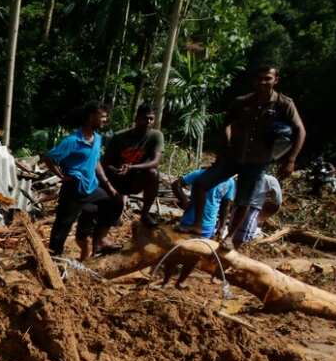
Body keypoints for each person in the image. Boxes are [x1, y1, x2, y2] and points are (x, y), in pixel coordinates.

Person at [179, 65, 305, 251]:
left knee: (244, 200)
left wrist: (291, 160)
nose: (263, 82)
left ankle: (229, 237)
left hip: (257, 161)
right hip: (234, 156)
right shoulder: (242, 102)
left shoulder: (284, 104)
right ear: (254, 81)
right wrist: (226, 145)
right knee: (201, 183)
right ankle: (197, 224)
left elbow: (300, 130)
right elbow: (226, 123)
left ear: (275, 80)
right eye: (260, 78)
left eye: (267, 78)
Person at [42, 101, 116, 259]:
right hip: (74, 188)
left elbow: (96, 162)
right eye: (102, 117)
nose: (105, 120)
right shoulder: (72, 141)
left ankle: (96, 239)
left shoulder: (97, 139)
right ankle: (54, 257)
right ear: (91, 117)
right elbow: (49, 158)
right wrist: (62, 176)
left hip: (91, 187)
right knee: (63, 226)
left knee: (112, 202)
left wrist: (107, 185)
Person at [101, 102, 164, 234]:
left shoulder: (155, 136)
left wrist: (132, 167)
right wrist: (117, 170)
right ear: (136, 118)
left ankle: (145, 214)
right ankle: (110, 214)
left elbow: (155, 161)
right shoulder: (119, 137)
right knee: (104, 176)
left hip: (137, 178)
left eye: (151, 119)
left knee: (153, 173)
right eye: (145, 118)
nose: (148, 122)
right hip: (118, 178)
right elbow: (106, 163)